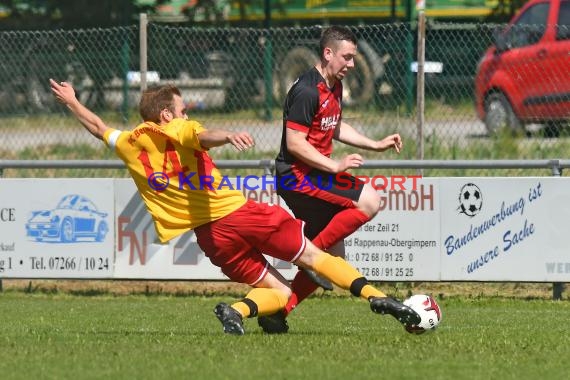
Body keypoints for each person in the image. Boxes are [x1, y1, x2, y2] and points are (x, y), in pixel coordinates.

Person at [50, 79, 419, 335]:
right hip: (241, 214)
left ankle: (236, 311)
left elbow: (98, 127)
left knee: (280, 292)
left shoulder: (129, 142)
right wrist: (224, 135)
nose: (184, 113)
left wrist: (71, 102)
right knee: (311, 257)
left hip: (210, 237)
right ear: (165, 115)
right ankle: (381, 298)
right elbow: (198, 135)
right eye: (180, 109)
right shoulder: (177, 129)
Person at [270, 25, 404, 331]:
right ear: (328, 53)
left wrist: (375, 143)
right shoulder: (306, 90)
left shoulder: (335, 85)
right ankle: (306, 255)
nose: (352, 64)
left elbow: (336, 126)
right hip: (296, 176)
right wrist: (333, 166)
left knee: (332, 259)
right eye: (347, 57)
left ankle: (277, 312)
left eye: (354, 57)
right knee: (370, 200)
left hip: (314, 174)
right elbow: (294, 143)